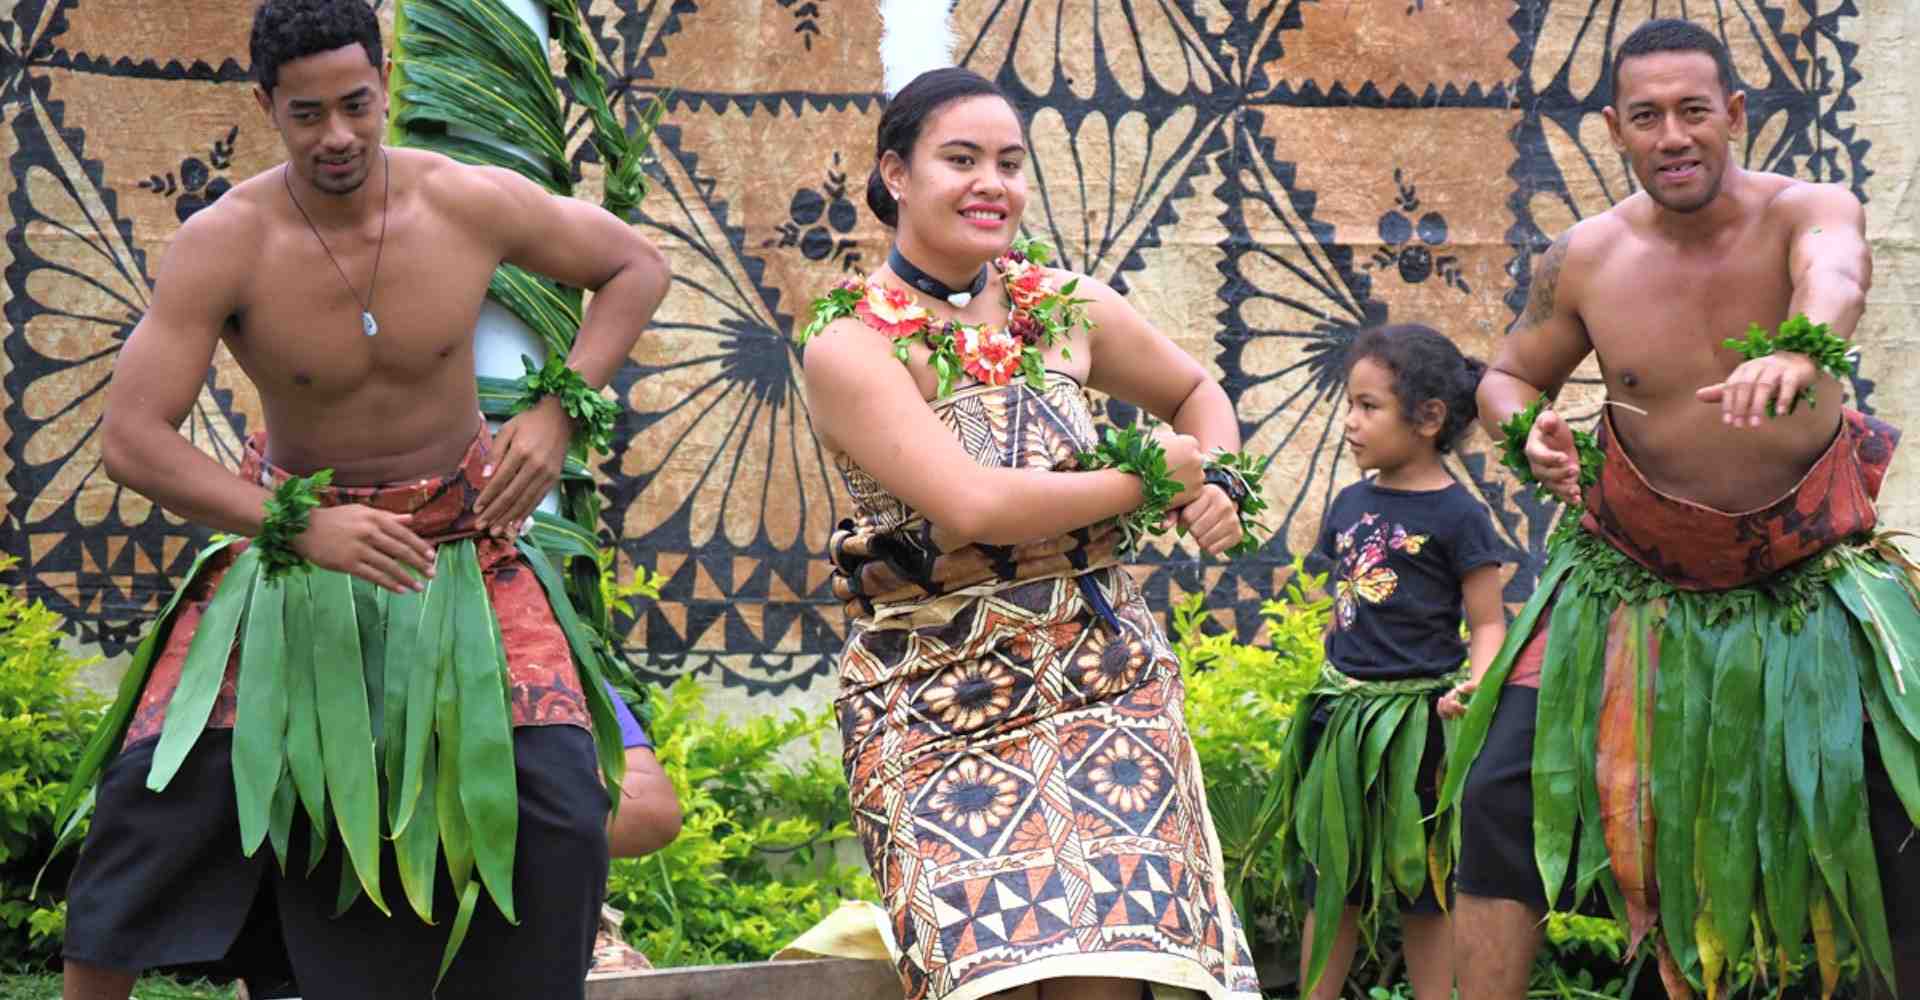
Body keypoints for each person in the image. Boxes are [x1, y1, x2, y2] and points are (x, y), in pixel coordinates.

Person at [57, 1, 671, 998]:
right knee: (153, 796)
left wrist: (561, 405)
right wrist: (300, 524)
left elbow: (634, 266)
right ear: (267, 106)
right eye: (307, 115)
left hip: (463, 546)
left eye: (356, 105)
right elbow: (132, 437)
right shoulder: (226, 242)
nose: (337, 136)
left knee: (559, 800)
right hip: (297, 549)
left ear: (385, 86)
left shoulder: (467, 201)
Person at [1444, 18, 1920, 1000]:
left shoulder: (1807, 211)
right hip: (1629, 585)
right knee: (1497, 794)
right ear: (1615, 128)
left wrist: (1799, 346)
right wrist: (1523, 431)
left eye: (1695, 112)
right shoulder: (1585, 256)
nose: (1674, 136)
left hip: (1811, 581)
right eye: (1649, 117)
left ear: (1734, 115)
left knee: (1898, 808)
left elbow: (1839, 271)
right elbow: (1504, 375)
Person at [798, 66, 1263, 1000]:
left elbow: (1194, 393)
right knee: (992, 981)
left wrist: (1217, 481)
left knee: (1112, 973)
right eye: (960, 159)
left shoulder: (1061, 304)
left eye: (1010, 163)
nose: (992, 184)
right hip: (935, 704)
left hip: (1104, 682)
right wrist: (1144, 479)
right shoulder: (849, 345)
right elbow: (970, 505)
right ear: (894, 173)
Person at [1283, 326, 1508, 999]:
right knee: (1332, 885)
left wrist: (1478, 683)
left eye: (1369, 406)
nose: (1350, 423)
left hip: (1418, 729)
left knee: (1425, 889)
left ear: (1429, 418)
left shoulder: (1460, 516)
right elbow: (1341, 607)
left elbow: (1489, 619)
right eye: (1349, 406)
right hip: (1342, 725)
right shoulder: (1349, 504)